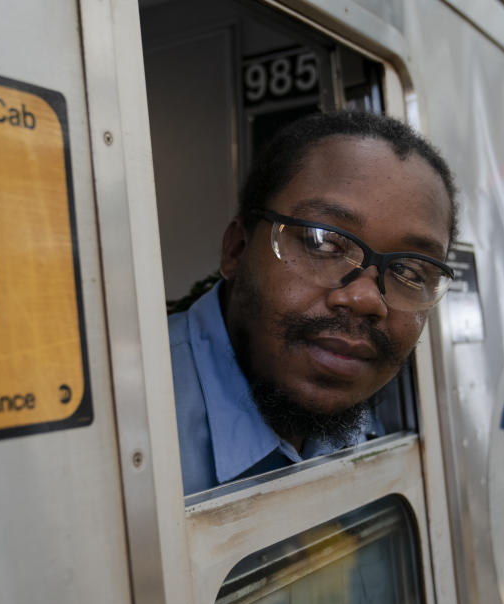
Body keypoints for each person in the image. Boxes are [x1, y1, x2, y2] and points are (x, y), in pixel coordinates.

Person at [169, 111, 459, 494]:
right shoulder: (124, 421)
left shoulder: (384, 429)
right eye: (323, 243)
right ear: (237, 250)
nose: (365, 298)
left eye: (409, 271)